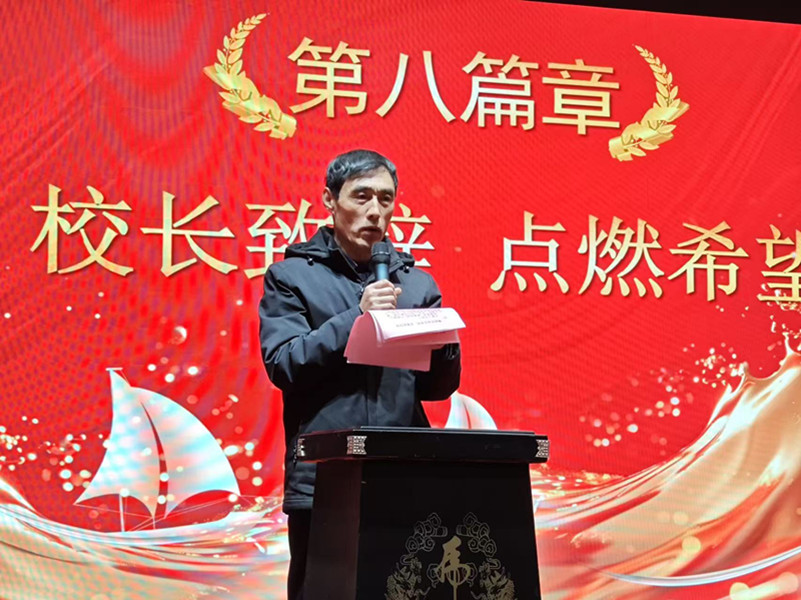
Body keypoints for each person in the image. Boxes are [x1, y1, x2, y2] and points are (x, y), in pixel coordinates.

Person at [258, 149, 461, 599]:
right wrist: (357, 317)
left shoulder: (417, 284)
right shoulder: (291, 277)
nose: (375, 211)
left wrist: (446, 343)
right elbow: (284, 363)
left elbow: (437, 389)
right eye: (362, 196)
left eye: (386, 199)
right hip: (325, 479)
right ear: (330, 200)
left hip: (404, 475)